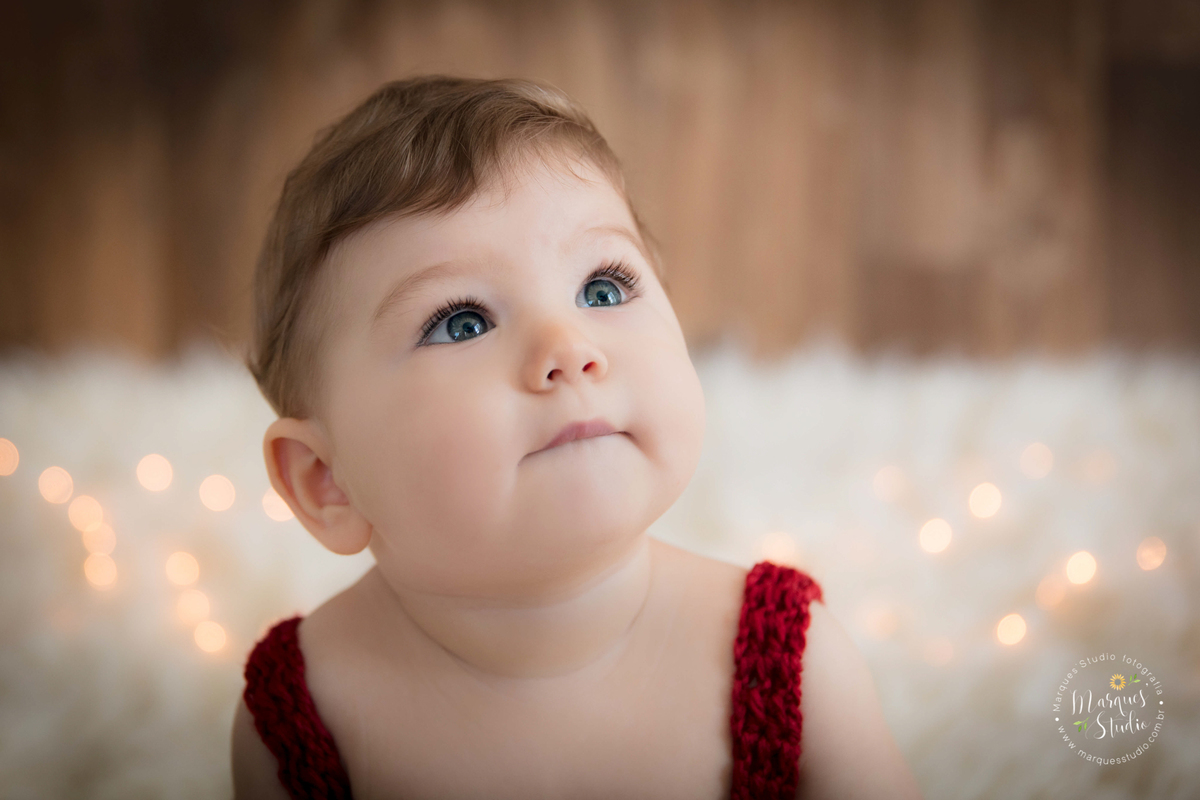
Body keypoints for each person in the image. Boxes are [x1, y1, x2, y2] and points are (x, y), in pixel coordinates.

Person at [232, 75, 920, 800]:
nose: (569, 345)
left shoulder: (786, 662)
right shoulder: (305, 719)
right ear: (325, 481)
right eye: (462, 322)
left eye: (603, 288)